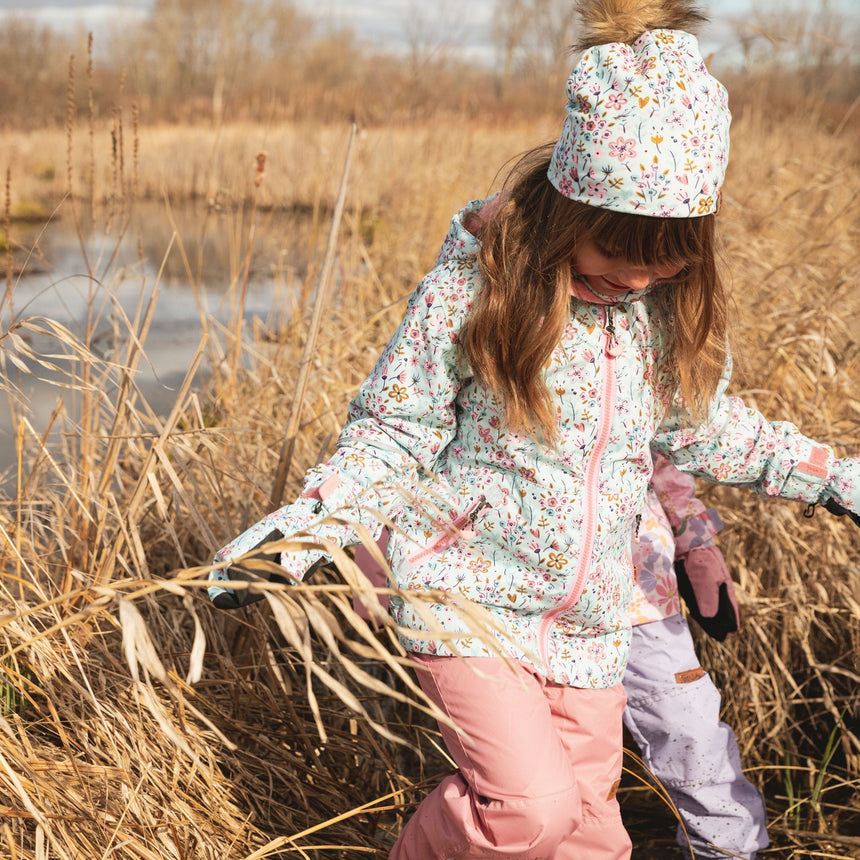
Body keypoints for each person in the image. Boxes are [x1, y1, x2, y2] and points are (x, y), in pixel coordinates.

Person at [208, 0, 860, 856]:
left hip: (592, 626)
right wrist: (312, 523)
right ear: (569, 208)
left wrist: (834, 477)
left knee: (592, 838)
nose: (638, 276)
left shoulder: (660, 315)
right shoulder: (477, 292)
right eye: (617, 249)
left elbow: (710, 432)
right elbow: (394, 430)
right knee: (529, 809)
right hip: (468, 601)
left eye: (666, 255)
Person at [625, 452, 769, 859]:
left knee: (692, 734)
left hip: (645, 596)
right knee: (571, 763)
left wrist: (695, 543)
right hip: (522, 604)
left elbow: (662, 453)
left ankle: (727, 852)